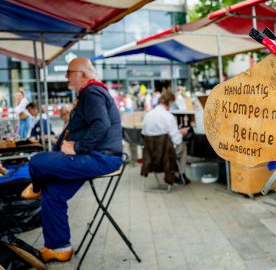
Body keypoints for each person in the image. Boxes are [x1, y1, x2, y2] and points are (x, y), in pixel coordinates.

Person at [21, 57, 123, 263]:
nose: (66, 76)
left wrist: (77, 147)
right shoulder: (90, 93)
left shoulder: (92, 92)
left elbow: (101, 125)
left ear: (83, 74)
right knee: (53, 194)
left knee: (37, 162)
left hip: (100, 158)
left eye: (70, 72)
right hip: (95, 156)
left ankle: (37, 185)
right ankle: (60, 247)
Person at [142, 90, 191, 184]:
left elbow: (144, 133)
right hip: (165, 156)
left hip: (150, 155)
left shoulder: (147, 115)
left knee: (175, 145)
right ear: (170, 102)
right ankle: (182, 175)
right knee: (183, 145)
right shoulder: (168, 116)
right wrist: (181, 132)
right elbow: (176, 140)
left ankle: (178, 174)